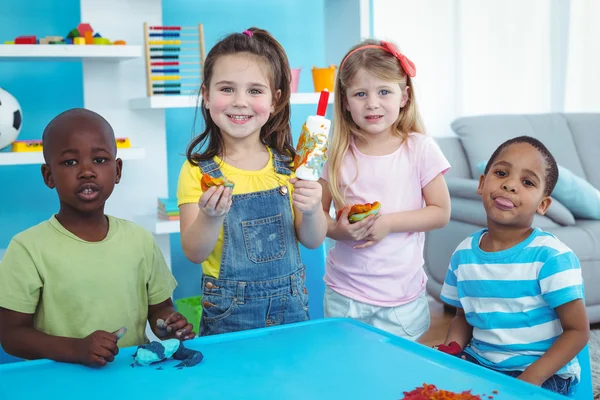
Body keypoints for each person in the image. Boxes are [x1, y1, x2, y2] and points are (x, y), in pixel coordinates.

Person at [0, 108, 194, 367]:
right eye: (70, 162)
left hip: (133, 378)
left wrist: (168, 324)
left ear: (117, 170)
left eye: (100, 160)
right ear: (48, 176)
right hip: (61, 384)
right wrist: (76, 349)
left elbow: (159, 309)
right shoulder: (27, 248)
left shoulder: (139, 240)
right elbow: (11, 335)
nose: (87, 172)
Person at [177, 28, 327, 336]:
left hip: (292, 311)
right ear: (206, 95)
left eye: (255, 91)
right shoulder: (197, 171)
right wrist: (209, 217)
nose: (240, 102)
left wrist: (312, 210)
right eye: (227, 89)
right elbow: (194, 252)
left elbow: (313, 240)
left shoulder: (292, 166)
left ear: (275, 100)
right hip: (228, 317)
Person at [319, 39, 451, 340]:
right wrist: (339, 231)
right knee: (348, 373)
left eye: (384, 92)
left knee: (397, 378)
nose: (372, 103)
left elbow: (441, 212)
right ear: (345, 101)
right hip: (344, 294)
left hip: (401, 298)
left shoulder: (420, 149)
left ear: (403, 96)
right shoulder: (336, 153)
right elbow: (318, 214)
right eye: (360, 94)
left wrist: (388, 223)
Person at [439, 136, 589, 395]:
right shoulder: (463, 254)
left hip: (542, 371)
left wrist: (531, 377)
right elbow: (462, 317)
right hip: (480, 362)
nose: (509, 185)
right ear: (483, 183)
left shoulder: (551, 257)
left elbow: (577, 331)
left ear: (543, 204)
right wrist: (451, 350)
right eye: (501, 173)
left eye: (527, 182)